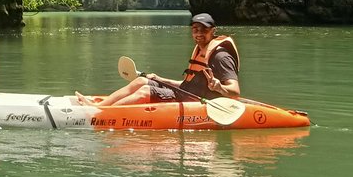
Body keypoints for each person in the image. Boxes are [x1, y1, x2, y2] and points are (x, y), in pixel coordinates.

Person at [76, 13, 240, 107]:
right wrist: (160, 79)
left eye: (203, 30)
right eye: (195, 29)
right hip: (185, 94)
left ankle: (101, 113)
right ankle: (99, 106)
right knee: (141, 81)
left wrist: (219, 87)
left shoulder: (220, 56)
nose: (198, 34)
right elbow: (186, 85)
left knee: (145, 91)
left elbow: (235, 92)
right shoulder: (200, 51)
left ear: (213, 31)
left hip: (195, 102)